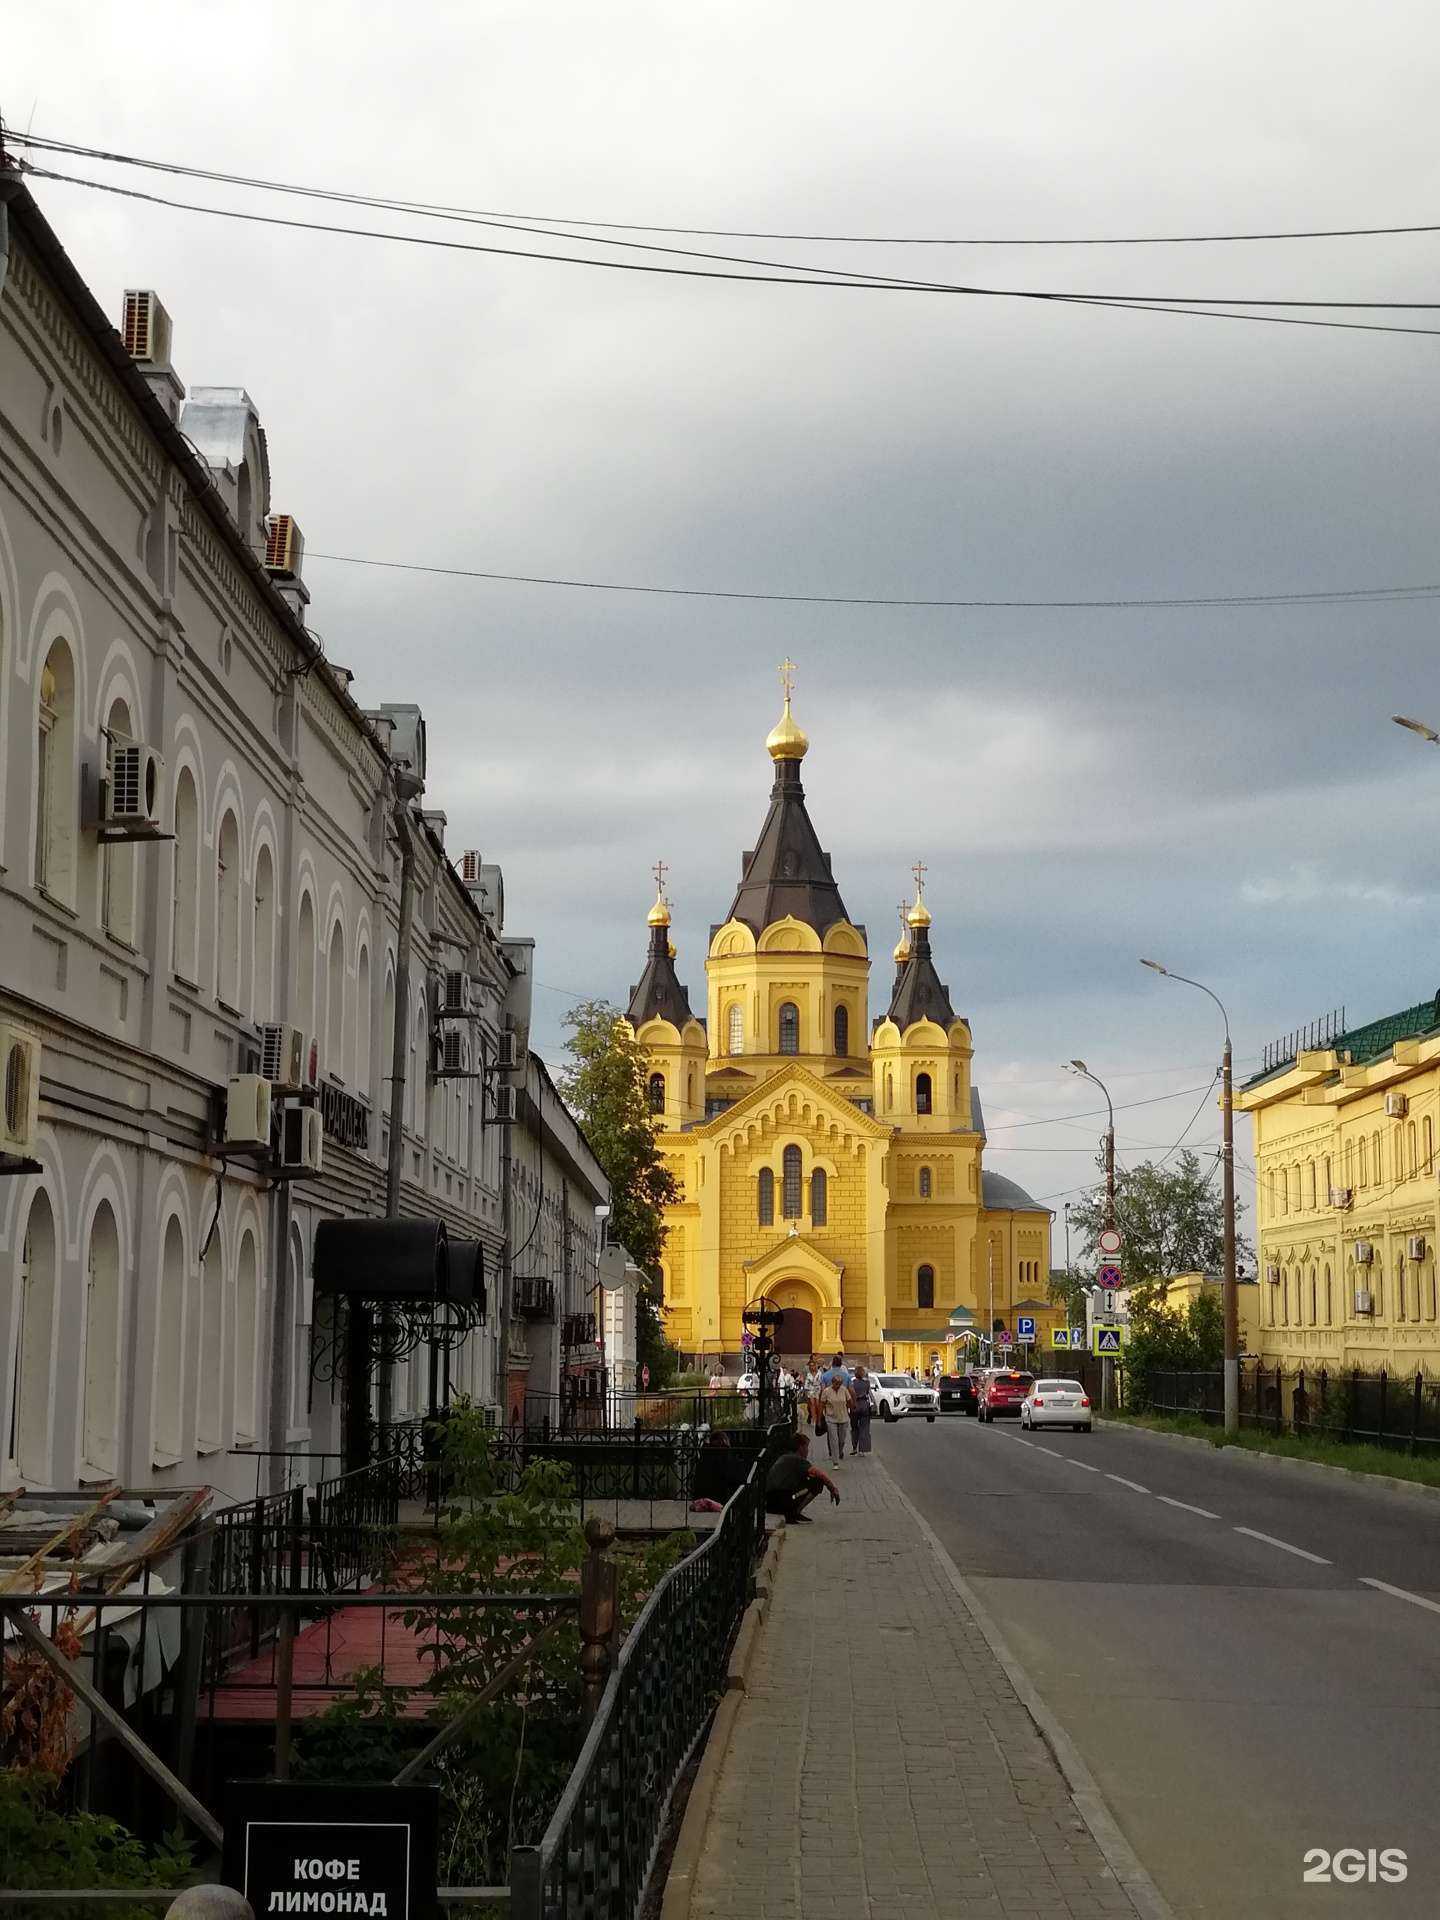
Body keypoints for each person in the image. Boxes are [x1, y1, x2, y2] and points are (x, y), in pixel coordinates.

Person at [764, 1431, 840, 1522]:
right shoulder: (797, 1459)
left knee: (809, 1479)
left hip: (771, 1502)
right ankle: (794, 1513)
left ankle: (793, 1511)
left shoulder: (785, 1457)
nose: (808, 1450)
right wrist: (832, 1488)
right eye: (806, 1447)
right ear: (801, 1447)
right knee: (817, 1482)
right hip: (783, 1501)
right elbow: (819, 1474)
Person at [819, 1370, 853, 1463]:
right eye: (836, 1384)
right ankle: (835, 1460)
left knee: (841, 1440)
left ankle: (840, 1451)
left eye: (840, 1384)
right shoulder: (826, 1391)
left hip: (843, 1418)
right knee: (833, 1439)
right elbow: (822, 1405)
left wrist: (850, 1409)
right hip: (831, 1418)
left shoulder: (844, 1390)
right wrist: (819, 1418)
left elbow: (849, 1401)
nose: (838, 1386)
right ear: (832, 1383)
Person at [849, 1365, 874, 1454]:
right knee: (864, 1428)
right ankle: (862, 1450)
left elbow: (849, 1395)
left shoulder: (852, 1383)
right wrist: (873, 1405)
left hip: (854, 1406)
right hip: (864, 1405)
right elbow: (869, 1394)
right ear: (863, 1373)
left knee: (854, 1427)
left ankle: (854, 1447)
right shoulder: (867, 1383)